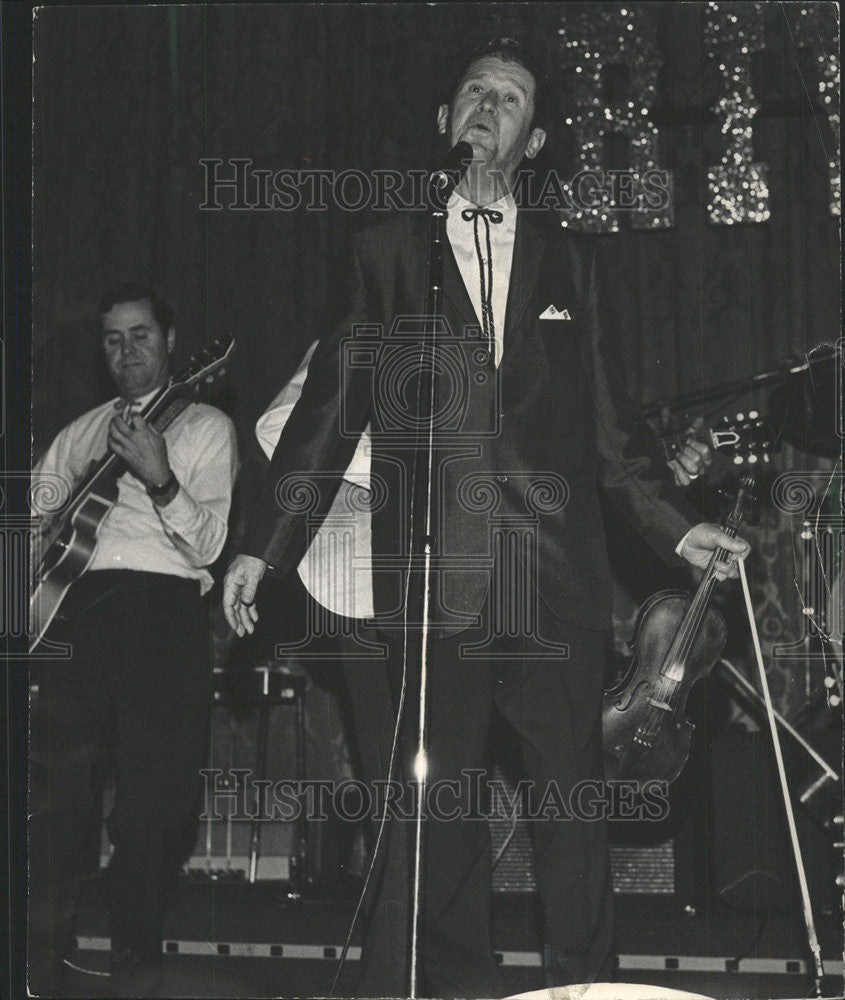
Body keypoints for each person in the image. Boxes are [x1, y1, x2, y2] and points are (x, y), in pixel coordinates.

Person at [224, 38, 748, 999]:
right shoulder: (387, 250)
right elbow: (331, 411)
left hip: (551, 580)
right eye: (473, 91)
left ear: (534, 138)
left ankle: (582, 987)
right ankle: (452, 988)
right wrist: (269, 543)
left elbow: (607, 431)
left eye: (508, 98)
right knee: (440, 816)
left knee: (569, 811)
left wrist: (675, 529)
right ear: (444, 122)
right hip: (434, 581)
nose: (486, 106)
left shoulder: (572, 266)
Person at [28, 283, 238, 997]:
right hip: (75, 615)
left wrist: (162, 478)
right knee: (56, 801)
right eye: (114, 339)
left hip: (163, 612)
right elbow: (29, 528)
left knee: (154, 805)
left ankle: (135, 967)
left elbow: (210, 545)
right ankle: (36, 965)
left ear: (172, 343)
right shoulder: (79, 433)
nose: (127, 351)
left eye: (141, 335)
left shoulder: (206, 424)